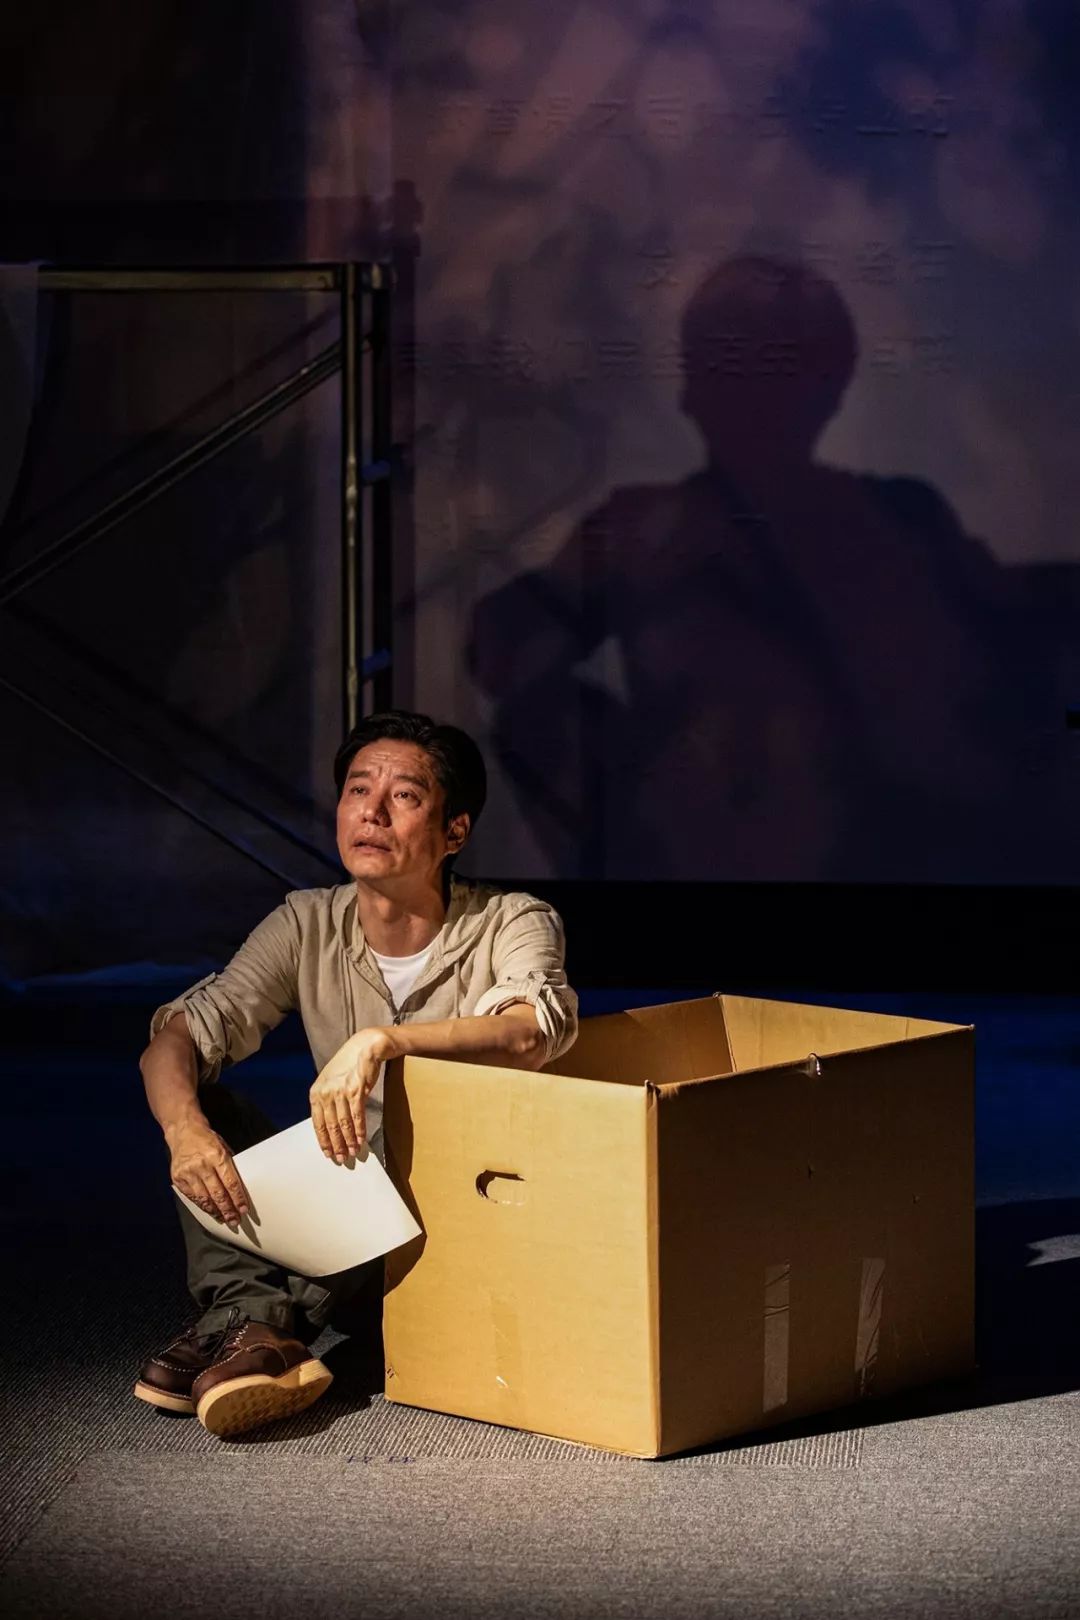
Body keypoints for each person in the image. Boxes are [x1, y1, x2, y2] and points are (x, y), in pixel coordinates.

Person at [134, 709, 578, 1437]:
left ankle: (246, 1325)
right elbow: (176, 1038)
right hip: (347, 1196)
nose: (371, 812)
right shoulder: (307, 922)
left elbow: (530, 1033)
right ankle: (258, 1331)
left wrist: (384, 1041)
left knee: (383, 1170)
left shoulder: (512, 920)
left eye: (403, 795)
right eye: (357, 791)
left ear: (455, 832)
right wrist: (185, 1133)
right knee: (205, 1105)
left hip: (467, 1203)